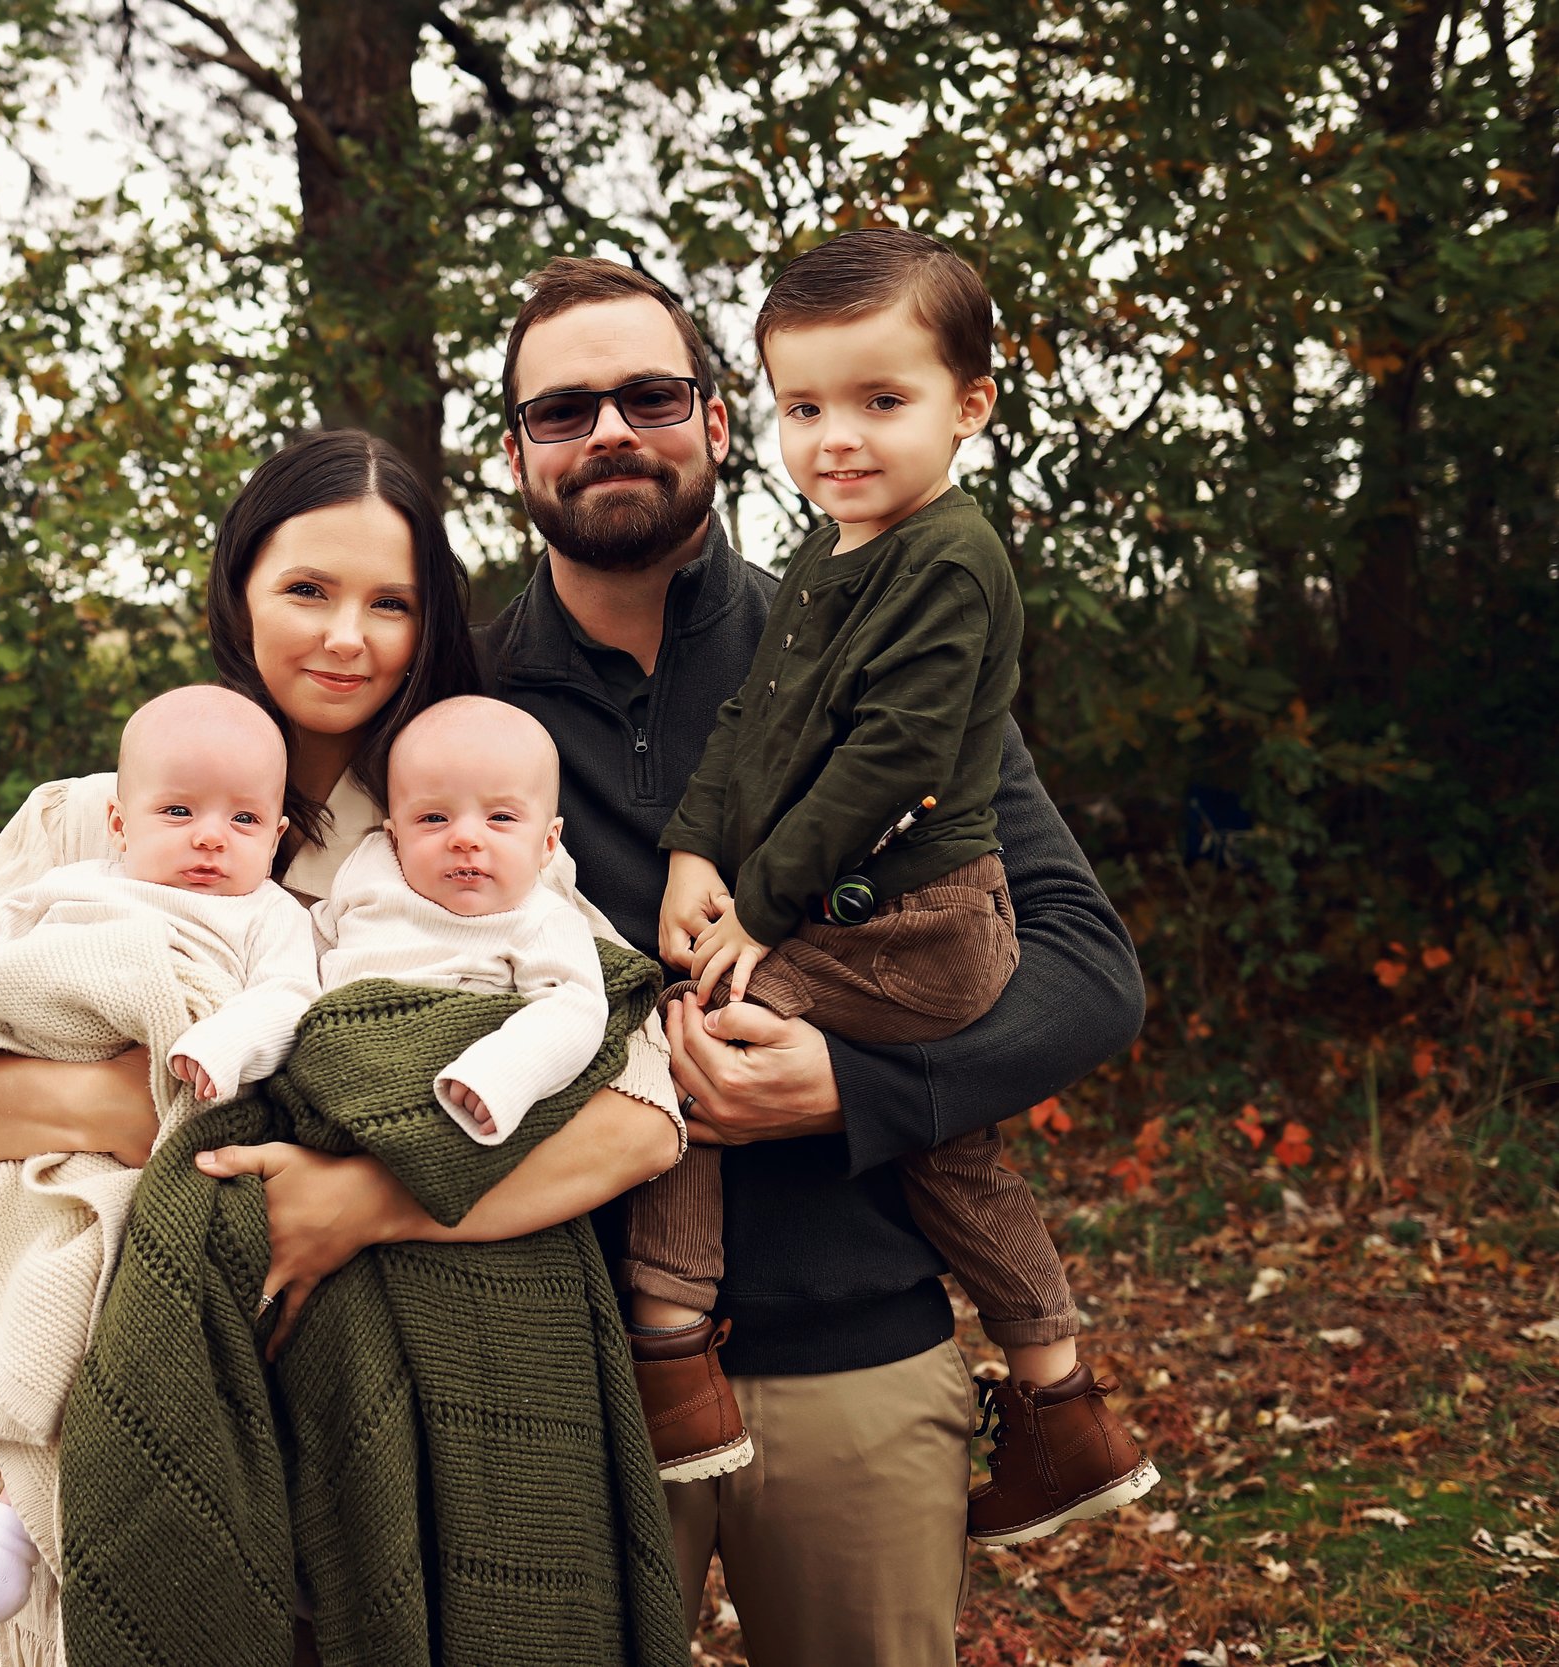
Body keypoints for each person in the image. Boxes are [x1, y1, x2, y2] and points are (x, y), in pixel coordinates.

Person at [0, 428, 686, 1667]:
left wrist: (366, 1200)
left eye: (389, 603)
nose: (346, 636)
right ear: (240, 591)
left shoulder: (458, 825)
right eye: (306, 589)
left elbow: (641, 1107)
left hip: (400, 1426)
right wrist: (143, 1113)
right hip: (134, 1394)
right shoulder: (96, 813)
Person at [478, 254, 1145, 1665]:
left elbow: (1089, 964)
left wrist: (858, 1085)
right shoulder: (457, 711)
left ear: (718, 423)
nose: (610, 430)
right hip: (565, 1374)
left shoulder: (875, 634)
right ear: (515, 450)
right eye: (563, 408)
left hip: (862, 1348)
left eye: (650, 394)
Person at [629, 228, 1159, 1546]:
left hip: (921, 923)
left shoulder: (950, 559)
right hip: (877, 922)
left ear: (970, 403)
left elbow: (891, 762)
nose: (837, 440)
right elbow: (756, 720)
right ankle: (1062, 1398)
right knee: (953, 1147)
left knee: (689, 1033)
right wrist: (698, 846)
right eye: (804, 407)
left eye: (882, 400)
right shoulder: (837, 548)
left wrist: (752, 911)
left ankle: (670, 1346)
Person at [0, 685, 319, 1638]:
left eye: (242, 820)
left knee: (80, 1319)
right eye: (179, 812)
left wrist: (223, 1042)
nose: (210, 839)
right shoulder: (81, 886)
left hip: (142, 1165)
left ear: (277, 835)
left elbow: (287, 1003)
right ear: (119, 822)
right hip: (28, 1135)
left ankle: (19, 1518)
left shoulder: (266, 916)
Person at [313, 696, 608, 1147]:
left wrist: (501, 1073)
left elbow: (576, 1009)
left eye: (500, 818)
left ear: (548, 843)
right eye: (434, 818)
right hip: (331, 1065)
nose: (466, 838)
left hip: (453, 1089)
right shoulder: (370, 873)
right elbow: (311, 943)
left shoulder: (542, 916)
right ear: (394, 838)